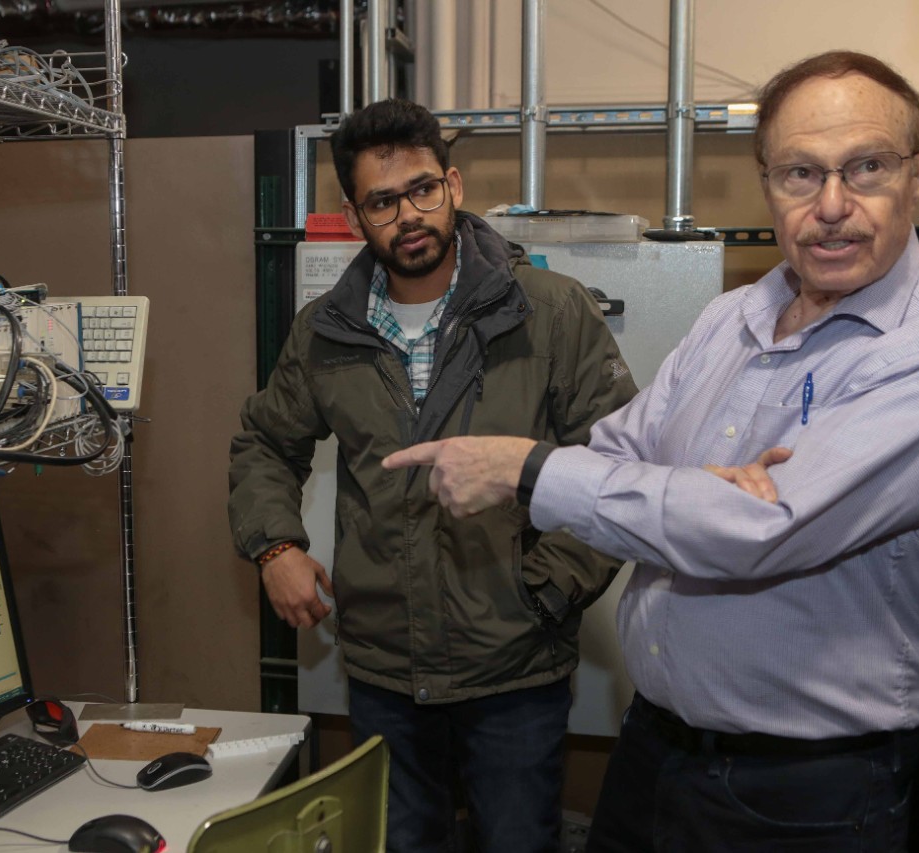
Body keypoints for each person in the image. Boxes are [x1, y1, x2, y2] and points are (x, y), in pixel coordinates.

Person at [383, 51, 919, 851]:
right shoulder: (731, 318)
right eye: (800, 173)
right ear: (766, 181)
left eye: (865, 167)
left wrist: (532, 468)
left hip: (803, 794)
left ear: (918, 174)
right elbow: (622, 447)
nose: (831, 205)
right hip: (654, 752)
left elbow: (756, 531)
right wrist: (695, 495)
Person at [228, 98, 637, 853]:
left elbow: (619, 463)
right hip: (385, 668)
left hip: (514, 669)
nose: (408, 214)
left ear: (452, 185)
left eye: (422, 189)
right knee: (403, 840)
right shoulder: (325, 330)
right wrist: (274, 546)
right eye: (382, 201)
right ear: (355, 216)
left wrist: (544, 590)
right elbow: (263, 441)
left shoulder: (546, 311)